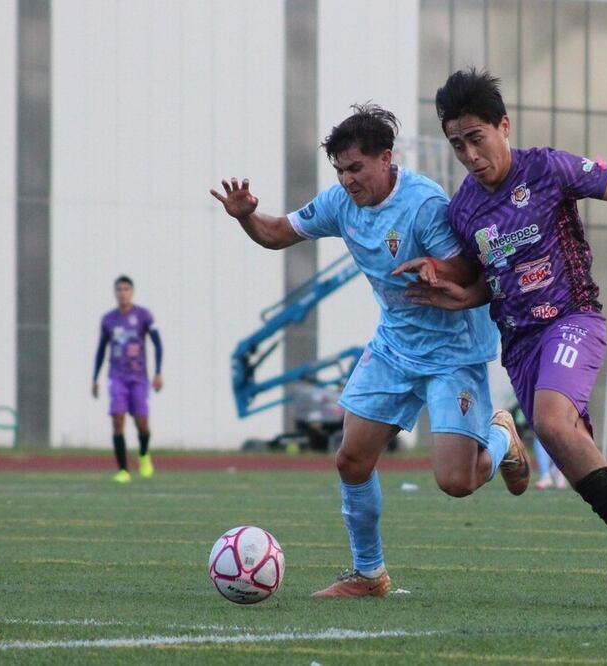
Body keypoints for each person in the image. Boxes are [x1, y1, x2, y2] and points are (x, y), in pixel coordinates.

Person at [400, 69, 607, 588]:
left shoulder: (547, 168)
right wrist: (459, 295)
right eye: (457, 145)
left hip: (572, 319)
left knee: (549, 422)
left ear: (504, 126)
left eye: (476, 138)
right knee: (578, 457)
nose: (470, 155)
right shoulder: (464, 209)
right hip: (519, 345)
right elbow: (487, 280)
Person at [210, 103, 529, 599]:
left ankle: (502, 437)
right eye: (340, 170)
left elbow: (470, 269)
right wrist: (247, 216)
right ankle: (369, 574)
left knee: (457, 482)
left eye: (355, 168)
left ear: (386, 158)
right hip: (394, 347)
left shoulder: (424, 204)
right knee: (352, 459)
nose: (347, 180)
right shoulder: (341, 202)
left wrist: (437, 270)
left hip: (453, 351)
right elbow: (276, 234)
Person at [92, 275, 163, 483]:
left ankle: (143, 454)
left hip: (138, 377)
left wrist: (158, 372)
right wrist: (94, 378)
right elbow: (101, 349)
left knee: (142, 423)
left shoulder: (143, 316)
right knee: (117, 419)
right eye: (119, 289)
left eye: (126, 289)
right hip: (117, 377)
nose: (122, 293)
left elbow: (158, 344)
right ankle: (123, 469)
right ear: (115, 293)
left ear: (132, 292)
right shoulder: (108, 319)